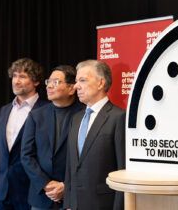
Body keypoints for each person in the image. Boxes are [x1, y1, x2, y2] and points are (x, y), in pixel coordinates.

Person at [63, 60, 125, 210]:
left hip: (102, 205)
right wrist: (68, 204)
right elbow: (71, 166)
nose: (76, 86)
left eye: (83, 80)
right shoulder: (76, 119)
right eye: (77, 81)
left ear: (100, 83)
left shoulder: (118, 117)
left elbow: (123, 171)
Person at [21, 65, 84, 209]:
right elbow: (26, 155)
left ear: (71, 88)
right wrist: (46, 184)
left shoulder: (84, 115)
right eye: (48, 81)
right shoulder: (36, 115)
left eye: (55, 82)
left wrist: (66, 186)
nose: (49, 86)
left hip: (72, 196)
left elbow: (87, 158)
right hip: (41, 197)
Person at [0, 58, 47, 210]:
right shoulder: (4, 110)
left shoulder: (47, 110)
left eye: (22, 76)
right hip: (2, 192)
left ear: (36, 81)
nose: (16, 81)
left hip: (32, 192)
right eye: (14, 76)